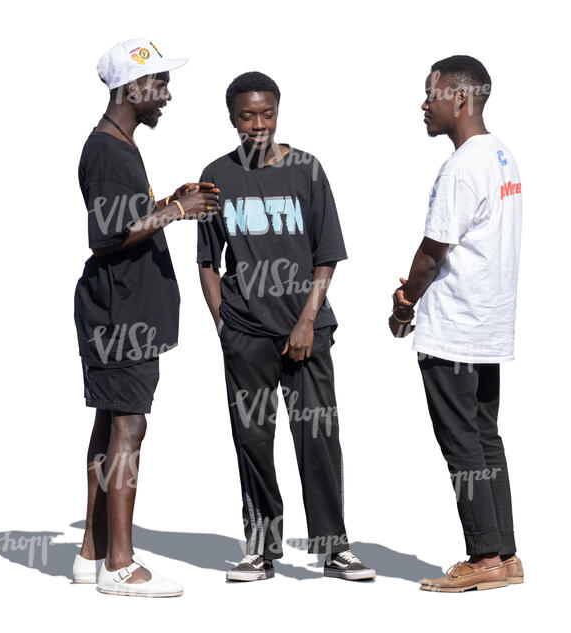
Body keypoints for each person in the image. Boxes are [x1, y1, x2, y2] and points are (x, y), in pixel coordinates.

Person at [197, 72, 375, 582]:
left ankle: (335, 548)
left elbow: (327, 254)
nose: (258, 124)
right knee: (252, 438)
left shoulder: (306, 170)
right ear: (232, 118)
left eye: (266, 113)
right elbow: (208, 260)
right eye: (246, 115)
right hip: (246, 333)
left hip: (306, 331)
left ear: (278, 112)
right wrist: (223, 324)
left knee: (318, 436)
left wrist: (306, 321)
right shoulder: (216, 177)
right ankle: (261, 548)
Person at [72, 38, 219, 598]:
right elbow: (108, 233)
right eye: (158, 84)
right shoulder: (109, 150)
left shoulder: (120, 146)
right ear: (131, 88)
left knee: (109, 426)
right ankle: (121, 566)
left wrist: (168, 200)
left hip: (121, 312)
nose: (167, 95)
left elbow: (128, 216)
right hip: (120, 315)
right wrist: (177, 212)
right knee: (128, 428)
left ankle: (92, 552)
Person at [389, 55, 523, 592]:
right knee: (485, 437)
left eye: (432, 93)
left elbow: (431, 251)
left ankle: (483, 555)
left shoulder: (464, 164)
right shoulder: (502, 156)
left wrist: (404, 302)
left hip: (455, 326)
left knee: (461, 442)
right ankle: (506, 555)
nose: (425, 104)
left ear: (460, 98)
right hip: (489, 324)